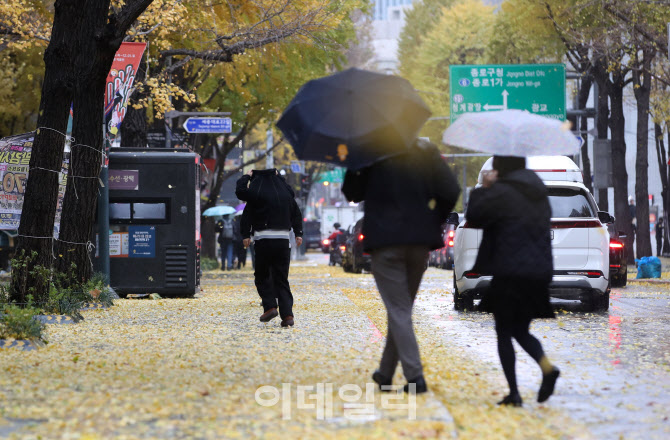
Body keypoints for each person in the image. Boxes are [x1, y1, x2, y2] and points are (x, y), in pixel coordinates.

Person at [342, 138, 460, 394]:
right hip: (419, 242)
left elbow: (352, 192)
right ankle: (385, 372)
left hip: (385, 243)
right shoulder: (425, 151)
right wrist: (433, 219)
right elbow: (451, 191)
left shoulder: (369, 150)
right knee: (401, 309)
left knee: (398, 309)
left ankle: (415, 376)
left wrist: (355, 162)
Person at [466, 155, 560, 407]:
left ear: (503, 168)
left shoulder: (502, 191)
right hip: (538, 272)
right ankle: (547, 369)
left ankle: (514, 393)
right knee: (520, 329)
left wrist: (485, 187)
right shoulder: (538, 189)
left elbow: (474, 215)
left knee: (504, 332)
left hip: (509, 271)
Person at [236, 169, 303, 327]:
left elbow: (243, 201)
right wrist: (298, 232)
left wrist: (247, 176)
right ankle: (287, 316)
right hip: (283, 240)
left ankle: (270, 306)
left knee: (262, 275)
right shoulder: (285, 195)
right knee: (282, 279)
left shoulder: (256, 194)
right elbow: (296, 213)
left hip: (263, 239)